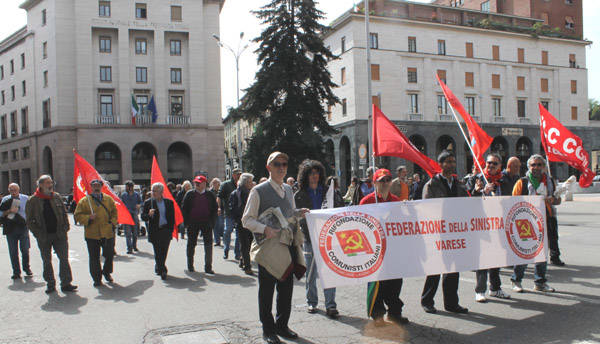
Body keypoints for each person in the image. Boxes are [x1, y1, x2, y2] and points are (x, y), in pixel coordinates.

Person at [242, 152, 308, 344]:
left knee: (286, 288)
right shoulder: (258, 191)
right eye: (277, 164)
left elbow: (289, 213)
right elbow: (247, 220)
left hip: (286, 244)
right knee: (267, 290)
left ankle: (282, 326)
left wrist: (299, 213)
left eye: (284, 164)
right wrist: (264, 228)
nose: (281, 167)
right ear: (268, 167)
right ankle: (268, 330)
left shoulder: (288, 189)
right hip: (268, 248)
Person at [420, 151, 469, 315]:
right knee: (435, 269)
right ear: (440, 164)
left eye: (453, 161)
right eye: (447, 162)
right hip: (438, 232)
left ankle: (451, 303)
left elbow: (467, 204)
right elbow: (427, 207)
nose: (451, 164)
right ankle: (427, 301)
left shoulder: (459, 184)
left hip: (454, 232)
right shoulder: (432, 184)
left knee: (453, 269)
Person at [360, 168, 408, 326]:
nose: (386, 183)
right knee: (377, 284)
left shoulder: (396, 201)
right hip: (375, 251)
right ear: (374, 183)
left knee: (395, 283)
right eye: (382, 180)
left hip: (394, 250)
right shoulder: (366, 201)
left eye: (388, 179)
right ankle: (378, 315)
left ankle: (395, 313)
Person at [295, 160, 343, 318]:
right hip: (309, 238)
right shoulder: (300, 194)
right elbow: (296, 216)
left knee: (329, 272)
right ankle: (312, 302)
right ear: (306, 176)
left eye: (316, 173)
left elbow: (339, 209)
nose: (314, 176)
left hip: (328, 238)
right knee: (311, 272)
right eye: (311, 173)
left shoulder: (328, 192)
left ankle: (331, 305)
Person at [511, 155, 560, 292]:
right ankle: (516, 280)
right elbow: (513, 202)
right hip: (526, 222)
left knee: (542, 253)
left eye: (539, 165)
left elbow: (558, 201)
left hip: (546, 220)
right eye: (533, 165)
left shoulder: (550, 181)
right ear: (529, 167)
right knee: (524, 252)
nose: (536, 167)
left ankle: (540, 282)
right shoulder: (522, 182)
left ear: (543, 167)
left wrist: (553, 200)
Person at [469, 153, 512, 302]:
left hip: (499, 224)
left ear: (500, 166)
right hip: (482, 224)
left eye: (494, 163)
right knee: (483, 258)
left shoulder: (504, 180)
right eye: (489, 163)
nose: (491, 166)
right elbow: (467, 199)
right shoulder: (477, 178)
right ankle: (480, 290)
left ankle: (495, 288)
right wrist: (481, 192)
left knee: (497, 257)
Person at [25, 175, 77, 293]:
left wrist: (65, 227)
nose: (50, 185)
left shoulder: (56, 197)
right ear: (41, 185)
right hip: (44, 236)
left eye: (51, 182)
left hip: (60, 234)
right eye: (48, 183)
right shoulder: (33, 200)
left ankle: (66, 283)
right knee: (47, 260)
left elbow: (64, 214)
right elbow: (29, 220)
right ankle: (50, 283)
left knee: (64, 259)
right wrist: (37, 233)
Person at [74, 179, 118, 287]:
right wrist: (88, 217)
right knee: (94, 257)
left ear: (102, 186)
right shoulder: (85, 201)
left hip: (107, 232)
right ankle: (97, 278)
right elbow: (77, 215)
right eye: (94, 186)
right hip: (92, 234)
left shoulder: (108, 199)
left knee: (109, 255)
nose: (96, 188)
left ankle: (107, 272)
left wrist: (112, 223)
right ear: (91, 187)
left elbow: (114, 213)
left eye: (98, 185)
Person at [182, 175, 218, 273]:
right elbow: (184, 209)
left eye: (199, 183)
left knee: (208, 245)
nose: (196, 184)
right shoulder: (189, 194)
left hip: (206, 223)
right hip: (193, 223)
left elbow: (215, 209)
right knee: (191, 244)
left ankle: (208, 267)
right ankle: (190, 265)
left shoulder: (210, 194)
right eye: (195, 183)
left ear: (204, 184)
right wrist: (186, 223)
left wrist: (212, 222)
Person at [141, 183, 175, 280]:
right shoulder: (148, 203)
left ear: (161, 192)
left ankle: (159, 266)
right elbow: (143, 217)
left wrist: (170, 230)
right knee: (157, 251)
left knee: (164, 251)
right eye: (152, 191)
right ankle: (162, 270)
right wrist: (148, 214)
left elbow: (172, 218)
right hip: (155, 231)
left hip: (166, 230)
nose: (153, 193)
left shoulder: (169, 202)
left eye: (155, 191)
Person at [0, 183, 32, 279]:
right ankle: (16, 272)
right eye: (11, 190)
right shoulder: (5, 199)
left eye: (15, 190)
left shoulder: (25, 198)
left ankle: (26, 268)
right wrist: (9, 211)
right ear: (9, 190)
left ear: (19, 190)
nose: (13, 192)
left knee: (25, 249)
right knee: (13, 252)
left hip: (23, 227)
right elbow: (1, 213)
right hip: (10, 228)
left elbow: (31, 211)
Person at [229, 172, 255, 274]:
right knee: (245, 244)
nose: (251, 183)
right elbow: (232, 208)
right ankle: (247, 267)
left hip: (252, 222)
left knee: (249, 244)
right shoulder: (236, 193)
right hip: (241, 222)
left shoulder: (252, 192)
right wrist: (239, 217)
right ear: (245, 182)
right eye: (250, 181)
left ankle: (242, 260)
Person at [218, 168, 241, 260]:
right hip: (229, 213)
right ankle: (226, 249)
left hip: (239, 214)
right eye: (237, 174)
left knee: (239, 234)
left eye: (240, 174)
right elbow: (219, 197)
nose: (239, 176)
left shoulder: (242, 184)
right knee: (228, 231)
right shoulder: (226, 184)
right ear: (233, 175)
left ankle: (237, 253)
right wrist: (219, 207)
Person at [120, 181, 142, 254]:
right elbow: (120, 203)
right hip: (126, 216)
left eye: (127, 187)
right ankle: (129, 248)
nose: (126, 188)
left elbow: (141, 202)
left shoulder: (137, 195)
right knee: (128, 233)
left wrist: (139, 205)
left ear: (131, 187)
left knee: (135, 232)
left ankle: (134, 246)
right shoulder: (123, 195)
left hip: (134, 215)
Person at [209, 178, 224, 247]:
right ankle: (217, 241)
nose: (215, 184)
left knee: (221, 224)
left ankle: (221, 234)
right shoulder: (210, 191)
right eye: (213, 183)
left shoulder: (221, 190)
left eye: (216, 183)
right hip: (213, 211)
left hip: (221, 210)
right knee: (215, 226)